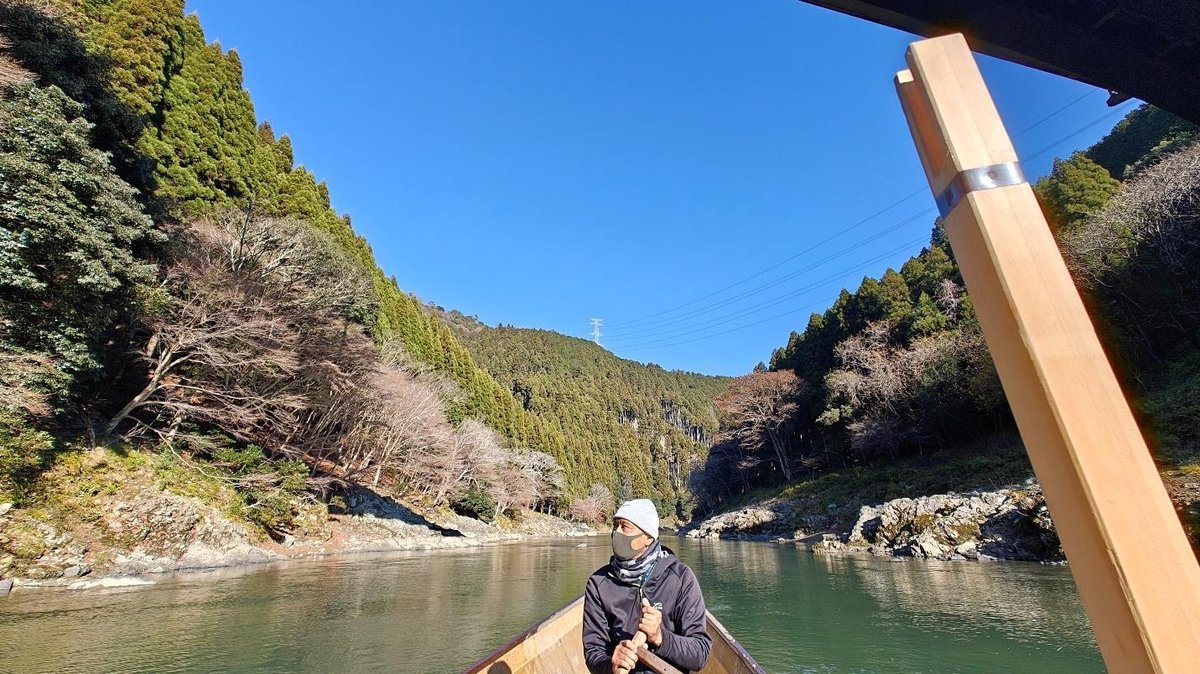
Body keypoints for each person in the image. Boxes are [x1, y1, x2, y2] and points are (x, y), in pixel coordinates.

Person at [582, 498, 712, 674]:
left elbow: (700, 653)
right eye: (615, 525)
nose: (616, 532)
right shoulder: (599, 583)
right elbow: (594, 651)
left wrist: (660, 637)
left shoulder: (681, 578)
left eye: (625, 526)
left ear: (648, 537)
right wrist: (611, 665)